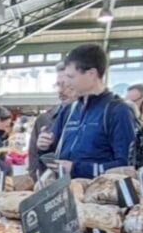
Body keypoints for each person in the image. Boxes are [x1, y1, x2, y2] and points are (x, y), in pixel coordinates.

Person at [37, 44, 136, 178]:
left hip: (99, 194)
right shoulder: (68, 110)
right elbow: (55, 154)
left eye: (71, 77)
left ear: (91, 74)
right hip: (67, 191)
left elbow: (125, 165)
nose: (68, 83)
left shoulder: (117, 111)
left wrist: (77, 169)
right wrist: (44, 147)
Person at [27, 61, 73, 181]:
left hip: (85, 187)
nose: (60, 91)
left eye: (66, 85)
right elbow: (33, 158)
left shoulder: (95, 116)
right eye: (58, 85)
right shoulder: (45, 119)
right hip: (52, 186)